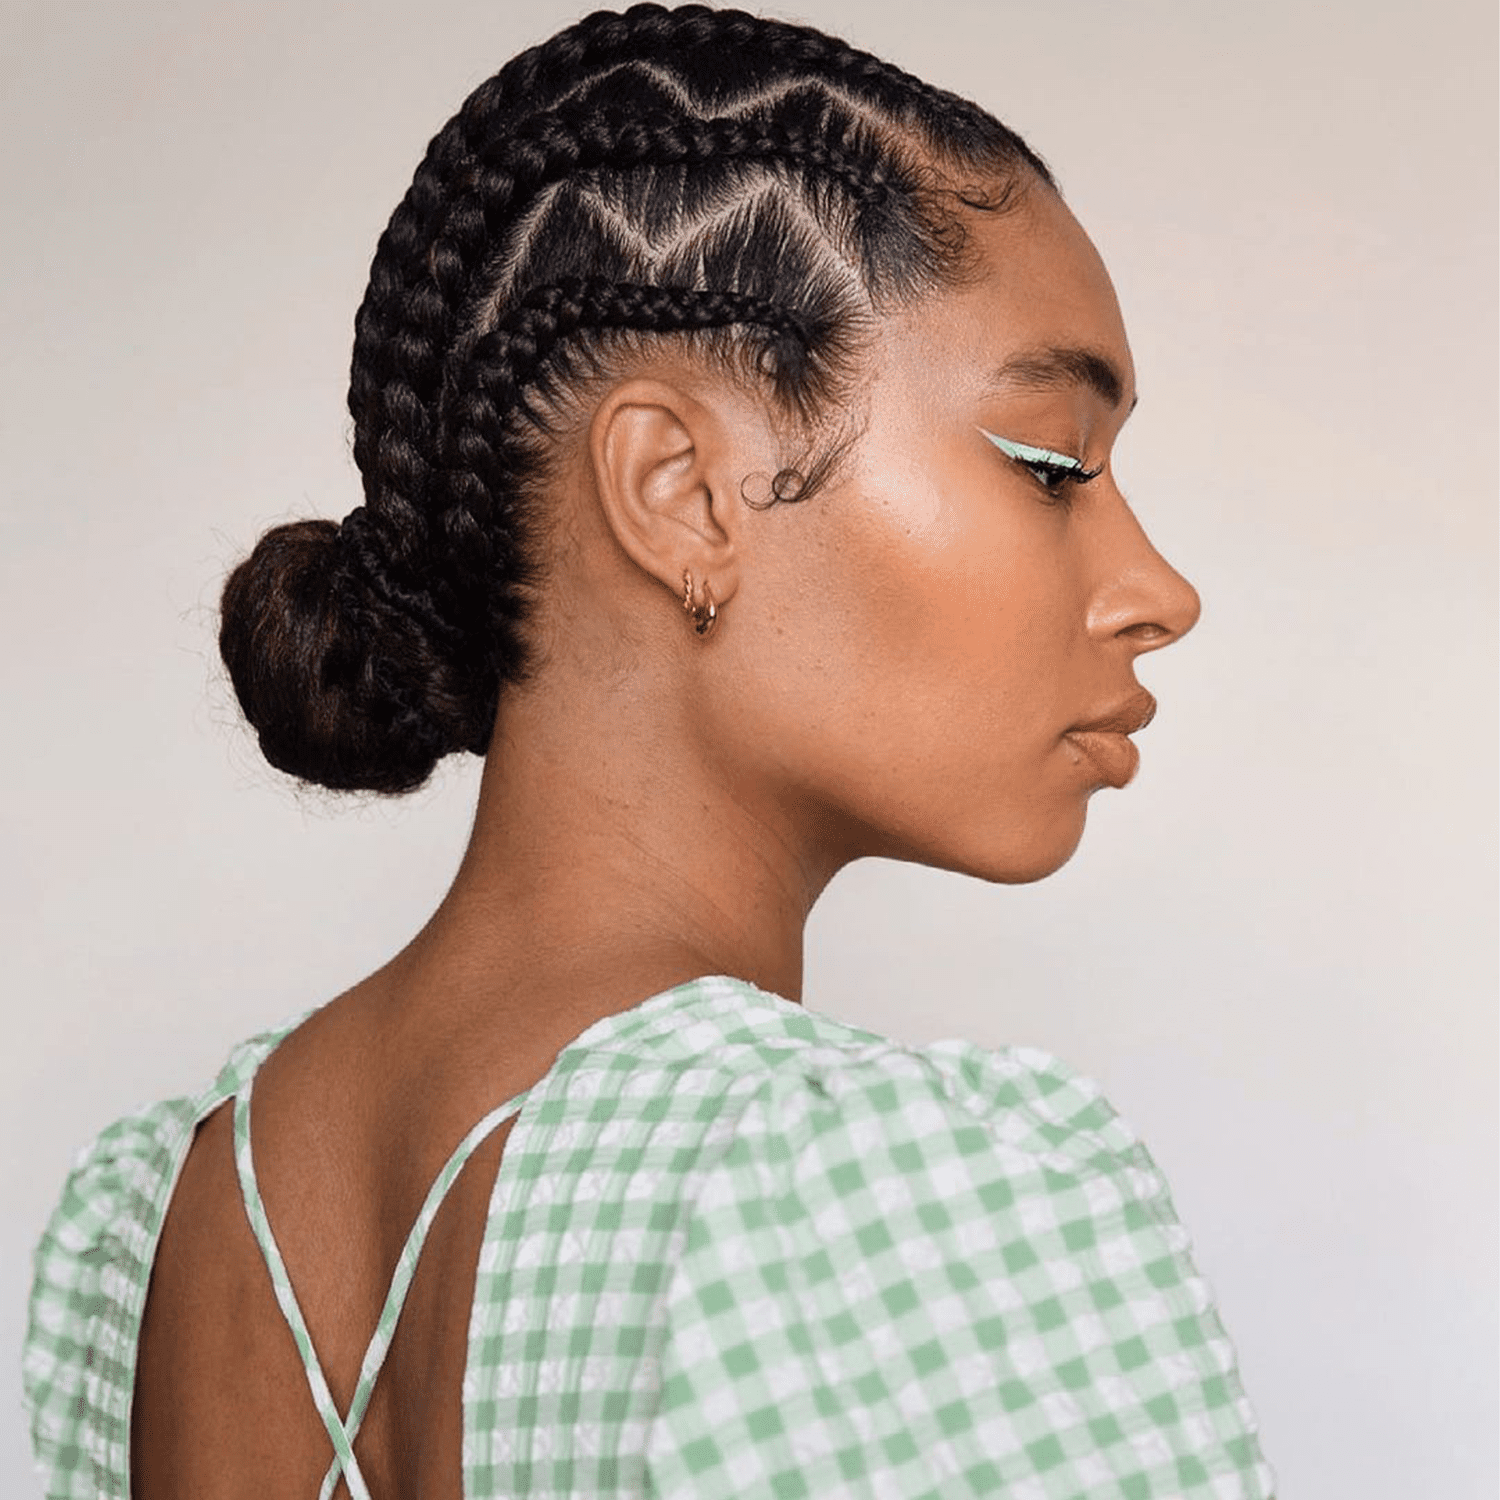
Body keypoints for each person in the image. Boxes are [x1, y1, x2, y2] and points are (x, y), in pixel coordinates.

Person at [23, 4, 1277, 1496]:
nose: (1159, 591)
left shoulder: (177, 1214)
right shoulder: (866, 1194)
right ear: (679, 490)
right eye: (1054, 465)